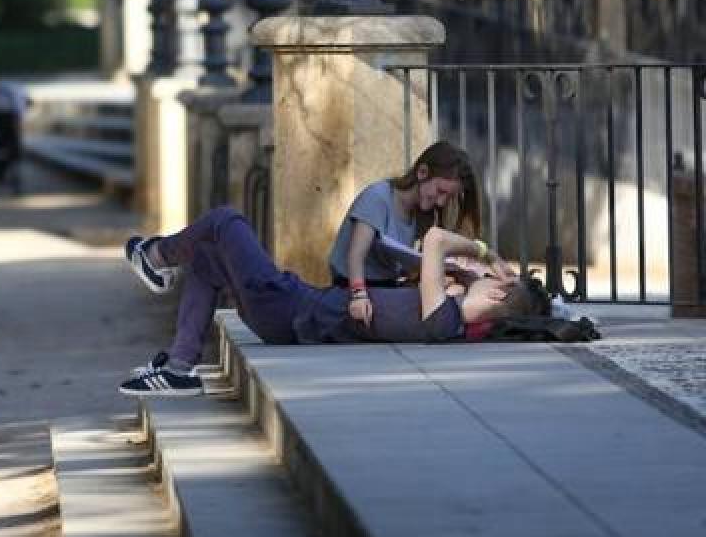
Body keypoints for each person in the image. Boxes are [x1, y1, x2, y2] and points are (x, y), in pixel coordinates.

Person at [119, 206, 536, 397]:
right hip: (296, 303)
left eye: (490, 280)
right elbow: (436, 259)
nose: (482, 275)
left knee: (226, 221)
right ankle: (179, 368)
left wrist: (486, 254)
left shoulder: (444, 319)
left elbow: (436, 240)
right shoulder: (450, 312)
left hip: (289, 312)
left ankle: (154, 256)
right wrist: (472, 274)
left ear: (497, 292)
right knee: (208, 260)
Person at [326, 141, 481, 327]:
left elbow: (405, 262)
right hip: (354, 288)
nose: (441, 202)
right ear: (422, 172)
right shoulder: (378, 197)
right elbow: (355, 256)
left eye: (448, 198)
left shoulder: (422, 214)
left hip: (387, 287)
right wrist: (359, 295)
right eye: (440, 191)